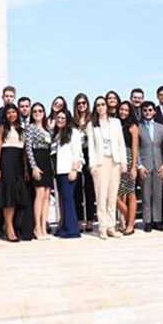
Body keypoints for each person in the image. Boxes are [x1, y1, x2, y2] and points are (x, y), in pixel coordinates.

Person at [86, 96, 127, 239]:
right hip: (100, 162)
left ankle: (111, 226)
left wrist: (123, 162)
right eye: (98, 105)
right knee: (101, 195)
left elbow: (121, 143)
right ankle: (102, 227)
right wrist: (92, 165)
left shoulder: (115, 122)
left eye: (103, 104)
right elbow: (91, 147)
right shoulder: (92, 125)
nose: (101, 107)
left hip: (115, 161)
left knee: (112, 195)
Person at [0, 103, 29, 242]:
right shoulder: (1, 129)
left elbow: (24, 151)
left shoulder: (22, 130)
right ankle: (9, 228)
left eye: (14, 112)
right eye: (8, 113)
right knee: (8, 195)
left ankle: (12, 225)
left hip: (19, 163)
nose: (11, 115)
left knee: (18, 196)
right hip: (6, 161)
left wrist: (25, 168)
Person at [51, 110, 85, 238]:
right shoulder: (57, 134)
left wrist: (74, 169)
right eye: (58, 118)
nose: (60, 120)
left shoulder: (73, 132)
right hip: (59, 172)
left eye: (63, 118)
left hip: (68, 171)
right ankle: (65, 226)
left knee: (68, 199)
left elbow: (77, 152)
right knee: (63, 200)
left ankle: (72, 230)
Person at [25, 103, 54, 240]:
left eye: (40, 110)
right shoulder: (30, 128)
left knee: (47, 195)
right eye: (35, 111)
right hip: (37, 160)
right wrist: (33, 166)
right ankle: (36, 227)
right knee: (39, 194)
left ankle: (43, 226)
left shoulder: (47, 128)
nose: (37, 113)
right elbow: (28, 149)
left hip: (47, 161)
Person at [137, 101, 163, 232]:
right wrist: (139, 165)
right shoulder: (137, 127)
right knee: (145, 194)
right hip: (145, 165)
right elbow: (136, 148)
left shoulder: (161, 127)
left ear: (154, 111)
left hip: (159, 165)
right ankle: (147, 221)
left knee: (158, 194)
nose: (148, 112)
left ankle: (157, 220)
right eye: (145, 110)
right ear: (142, 112)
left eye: (150, 110)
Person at [72, 93, 96, 232]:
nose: (81, 105)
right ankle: (79, 219)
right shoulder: (73, 121)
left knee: (89, 188)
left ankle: (90, 220)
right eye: (79, 103)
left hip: (89, 153)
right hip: (76, 155)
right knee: (77, 190)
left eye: (84, 103)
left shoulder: (92, 119)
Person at [115, 101, 139, 235]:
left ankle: (130, 224)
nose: (123, 112)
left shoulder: (133, 126)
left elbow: (135, 147)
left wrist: (134, 167)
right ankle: (131, 220)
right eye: (121, 109)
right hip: (117, 160)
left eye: (126, 110)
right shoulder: (116, 124)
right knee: (116, 195)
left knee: (130, 193)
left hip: (129, 159)